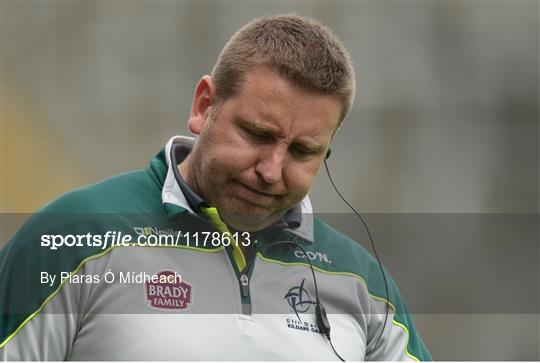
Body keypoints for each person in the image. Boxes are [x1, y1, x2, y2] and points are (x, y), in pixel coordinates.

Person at [0, 14, 431, 361]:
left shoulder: (363, 282)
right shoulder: (73, 235)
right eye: (258, 134)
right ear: (205, 106)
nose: (271, 170)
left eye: (302, 151)